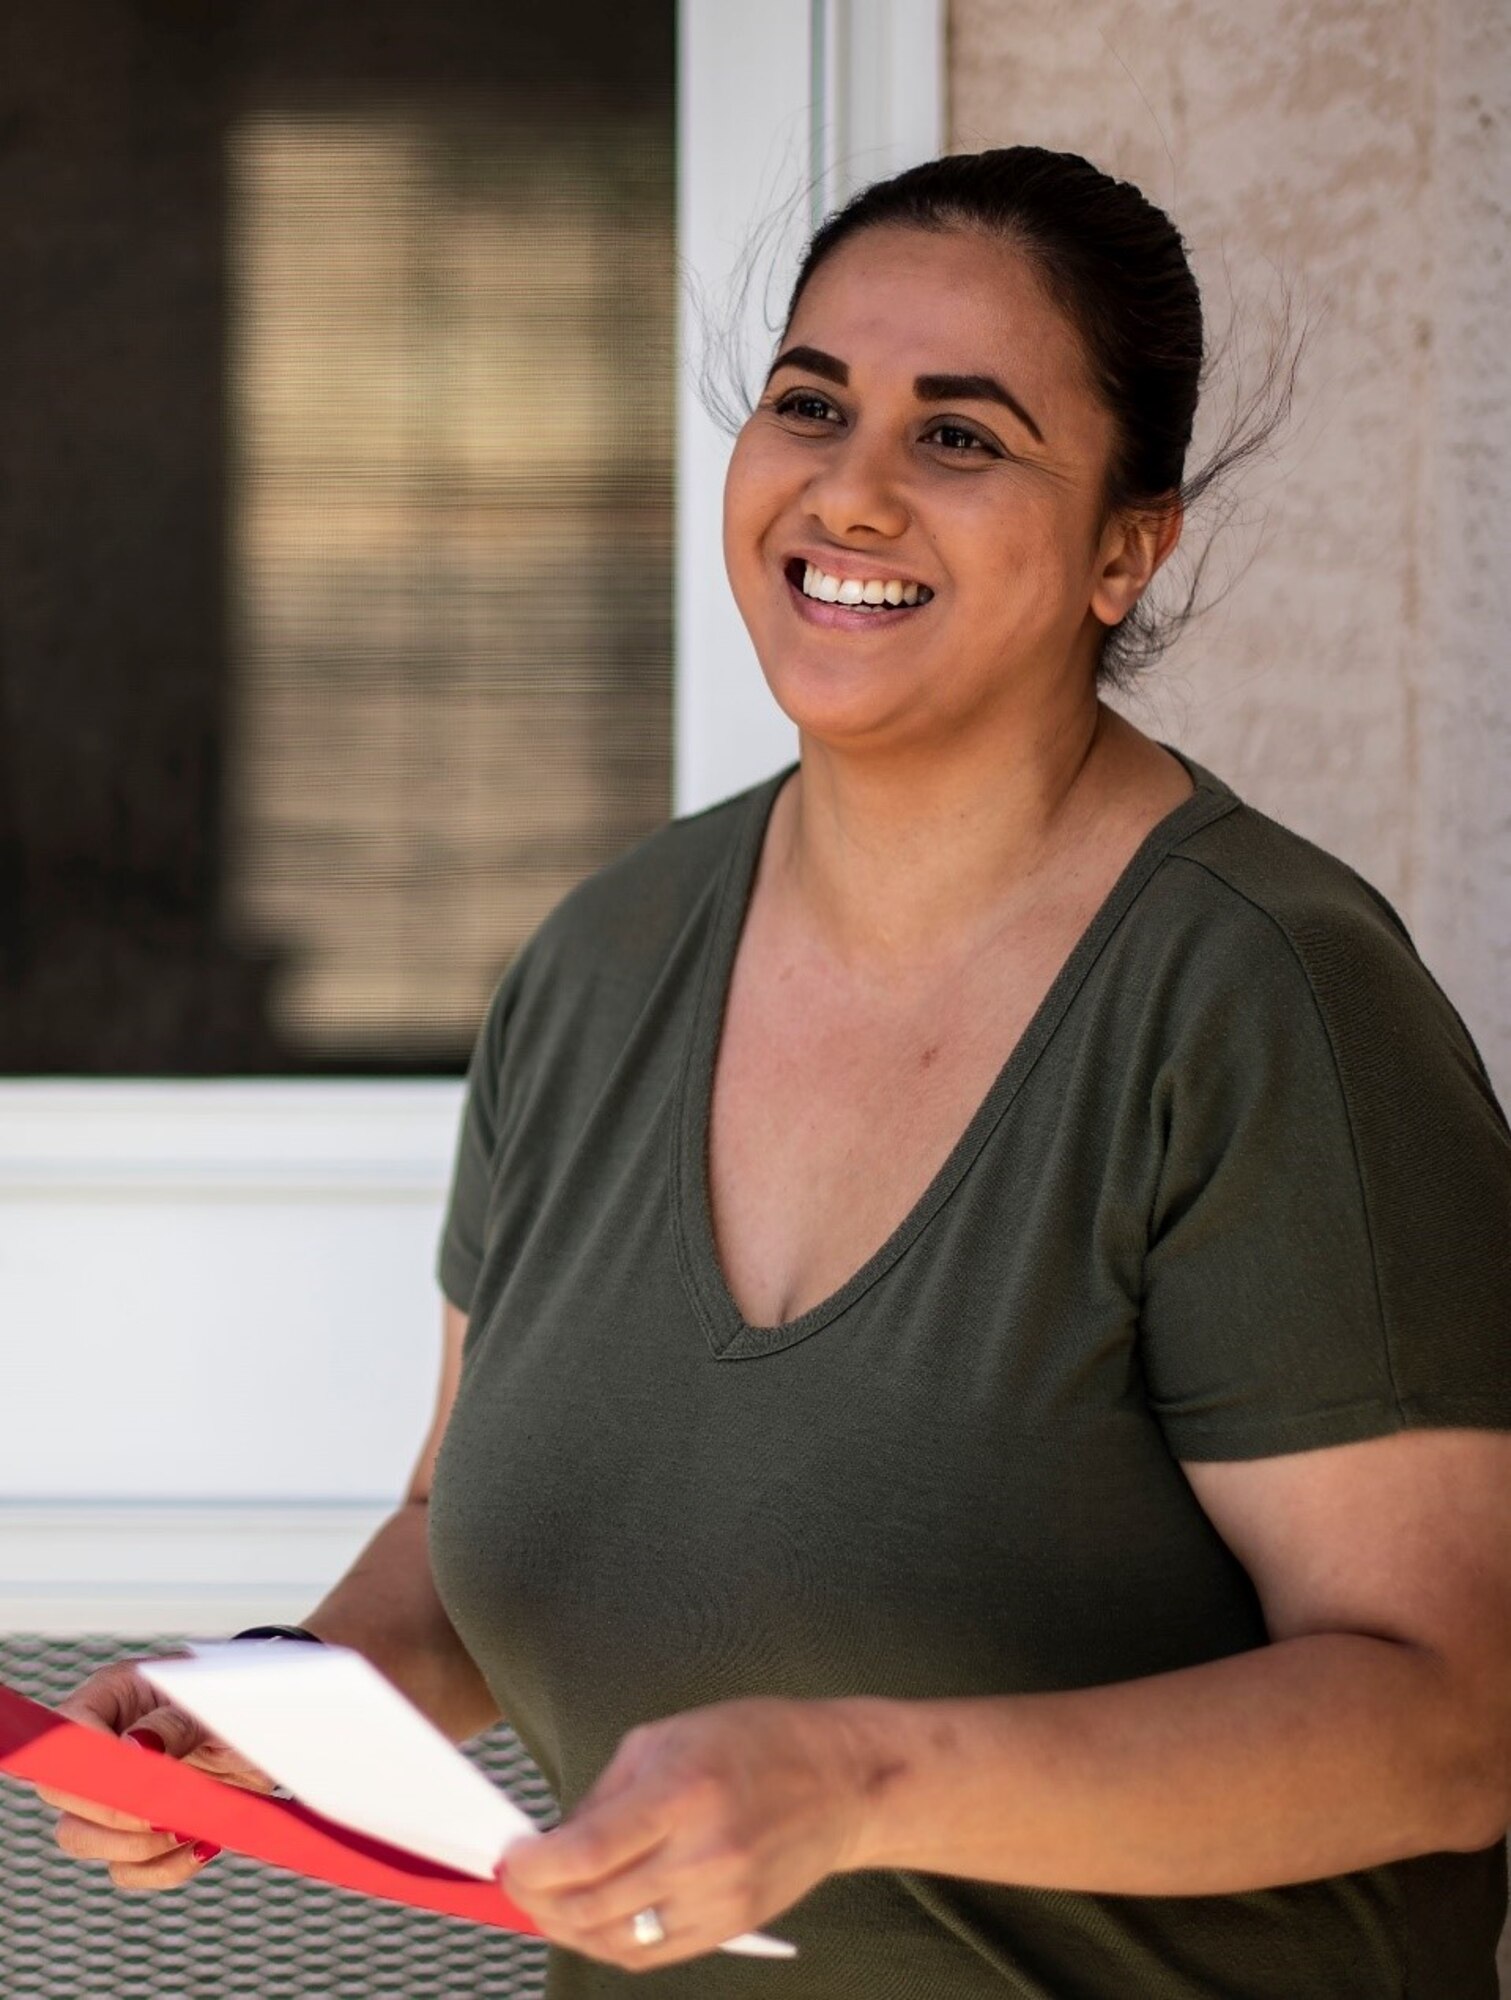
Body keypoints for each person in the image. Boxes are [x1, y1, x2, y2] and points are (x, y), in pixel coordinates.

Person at [42, 147, 1511, 1997]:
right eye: (811, 404)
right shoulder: (599, 965)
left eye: (961, 439)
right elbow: (466, 1527)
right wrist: (269, 1709)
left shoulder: (1263, 998)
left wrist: (864, 1776)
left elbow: (1449, 1729)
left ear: (1126, 550)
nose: (853, 488)